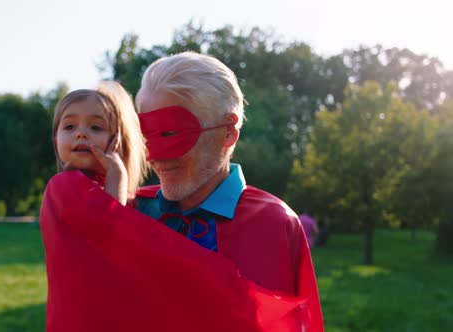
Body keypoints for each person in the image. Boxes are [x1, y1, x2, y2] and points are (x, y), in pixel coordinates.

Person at [134, 51, 323, 328]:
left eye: (172, 134)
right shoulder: (130, 211)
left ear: (228, 131)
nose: (155, 157)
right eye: (145, 135)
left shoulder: (275, 225)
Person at [51, 81, 148, 205]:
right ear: (56, 139)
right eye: (69, 126)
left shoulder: (144, 205)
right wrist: (116, 176)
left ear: (118, 140)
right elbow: (108, 223)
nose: (81, 134)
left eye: (96, 127)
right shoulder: (62, 190)